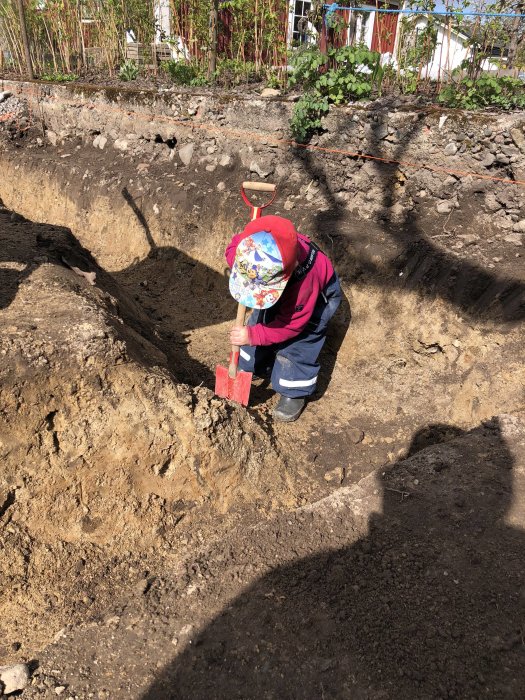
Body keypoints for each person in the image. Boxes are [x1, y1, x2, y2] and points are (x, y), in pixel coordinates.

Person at [226, 215, 341, 422]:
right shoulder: (248, 246)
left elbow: (290, 327)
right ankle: (254, 365)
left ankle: (293, 391)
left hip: (313, 303)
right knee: (259, 322)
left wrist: (251, 336)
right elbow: (232, 251)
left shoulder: (306, 282)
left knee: (296, 344)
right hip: (279, 287)